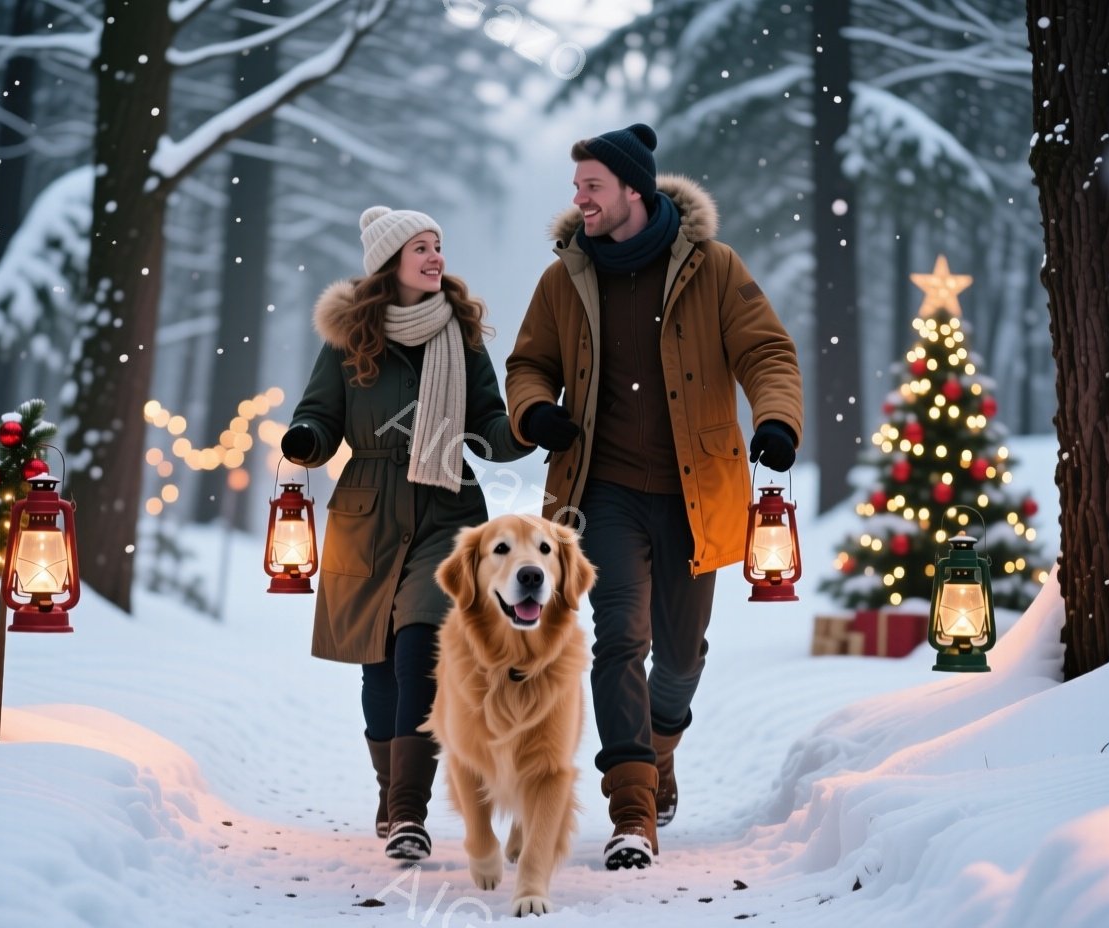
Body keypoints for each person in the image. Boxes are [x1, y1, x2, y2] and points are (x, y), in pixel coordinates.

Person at [506, 123, 805, 870]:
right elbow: (528, 363)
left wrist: (775, 417)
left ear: (633, 190)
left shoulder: (712, 267)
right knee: (618, 643)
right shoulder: (564, 277)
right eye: (577, 189)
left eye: (592, 188)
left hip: (693, 491)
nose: (580, 202)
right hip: (597, 491)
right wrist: (536, 409)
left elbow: (765, 349)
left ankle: (660, 748)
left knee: (679, 657)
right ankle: (632, 811)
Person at [282, 206, 530, 862]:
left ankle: (408, 813)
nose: (435, 256)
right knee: (379, 665)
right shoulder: (348, 337)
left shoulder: (462, 335)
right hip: (366, 513)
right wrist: (306, 438)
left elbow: (489, 428)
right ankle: (391, 791)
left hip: (447, 508)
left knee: (422, 646)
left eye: (438, 245)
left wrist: (529, 430)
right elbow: (319, 413)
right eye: (421, 247)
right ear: (389, 262)